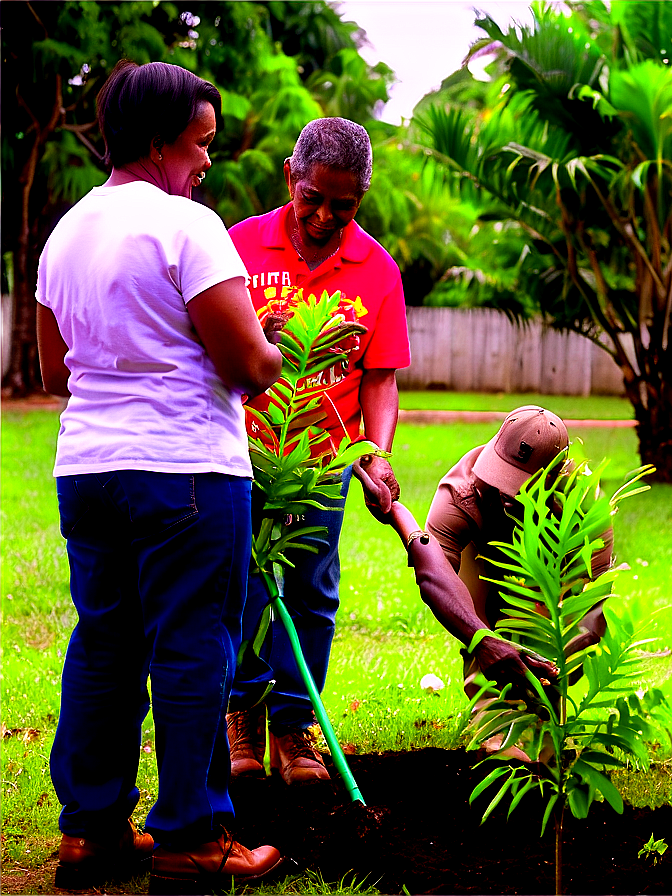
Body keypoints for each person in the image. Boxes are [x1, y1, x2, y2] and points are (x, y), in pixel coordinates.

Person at [35, 59, 288, 893]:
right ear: (157, 142)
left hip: (90, 471)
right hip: (185, 469)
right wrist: (273, 342)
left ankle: (93, 834)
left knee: (104, 644)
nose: (207, 161)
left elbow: (53, 372)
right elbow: (248, 363)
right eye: (200, 143)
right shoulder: (188, 226)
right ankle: (192, 838)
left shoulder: (65, 232)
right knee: (191, 646)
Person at [225, 117, 411, 785]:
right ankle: (240, 714)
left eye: (344, 204)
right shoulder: (237, 246)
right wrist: (257, 335)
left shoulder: (378, 270)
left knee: (311, 592)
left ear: (361, 196)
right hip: (238, 455)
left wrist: (375, 452)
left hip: (321, 463)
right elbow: (203, 349)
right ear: (289, 178)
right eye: (312, 198)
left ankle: (294, 728)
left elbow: (381, 377)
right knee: (242, 585)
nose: (325, 215)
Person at [423, 406, 615, 719]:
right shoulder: (460, 493)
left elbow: (591, 601)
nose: (505, 492)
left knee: (559, 637)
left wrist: (557, 669)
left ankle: (546, 718)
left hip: (554, 558)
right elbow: (434, 576)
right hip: (481, 549)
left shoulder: (584, 505)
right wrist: (484, 641)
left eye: (520, 485)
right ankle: (491, 717)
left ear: (556, 477)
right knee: (477, 614)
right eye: (502, 476)